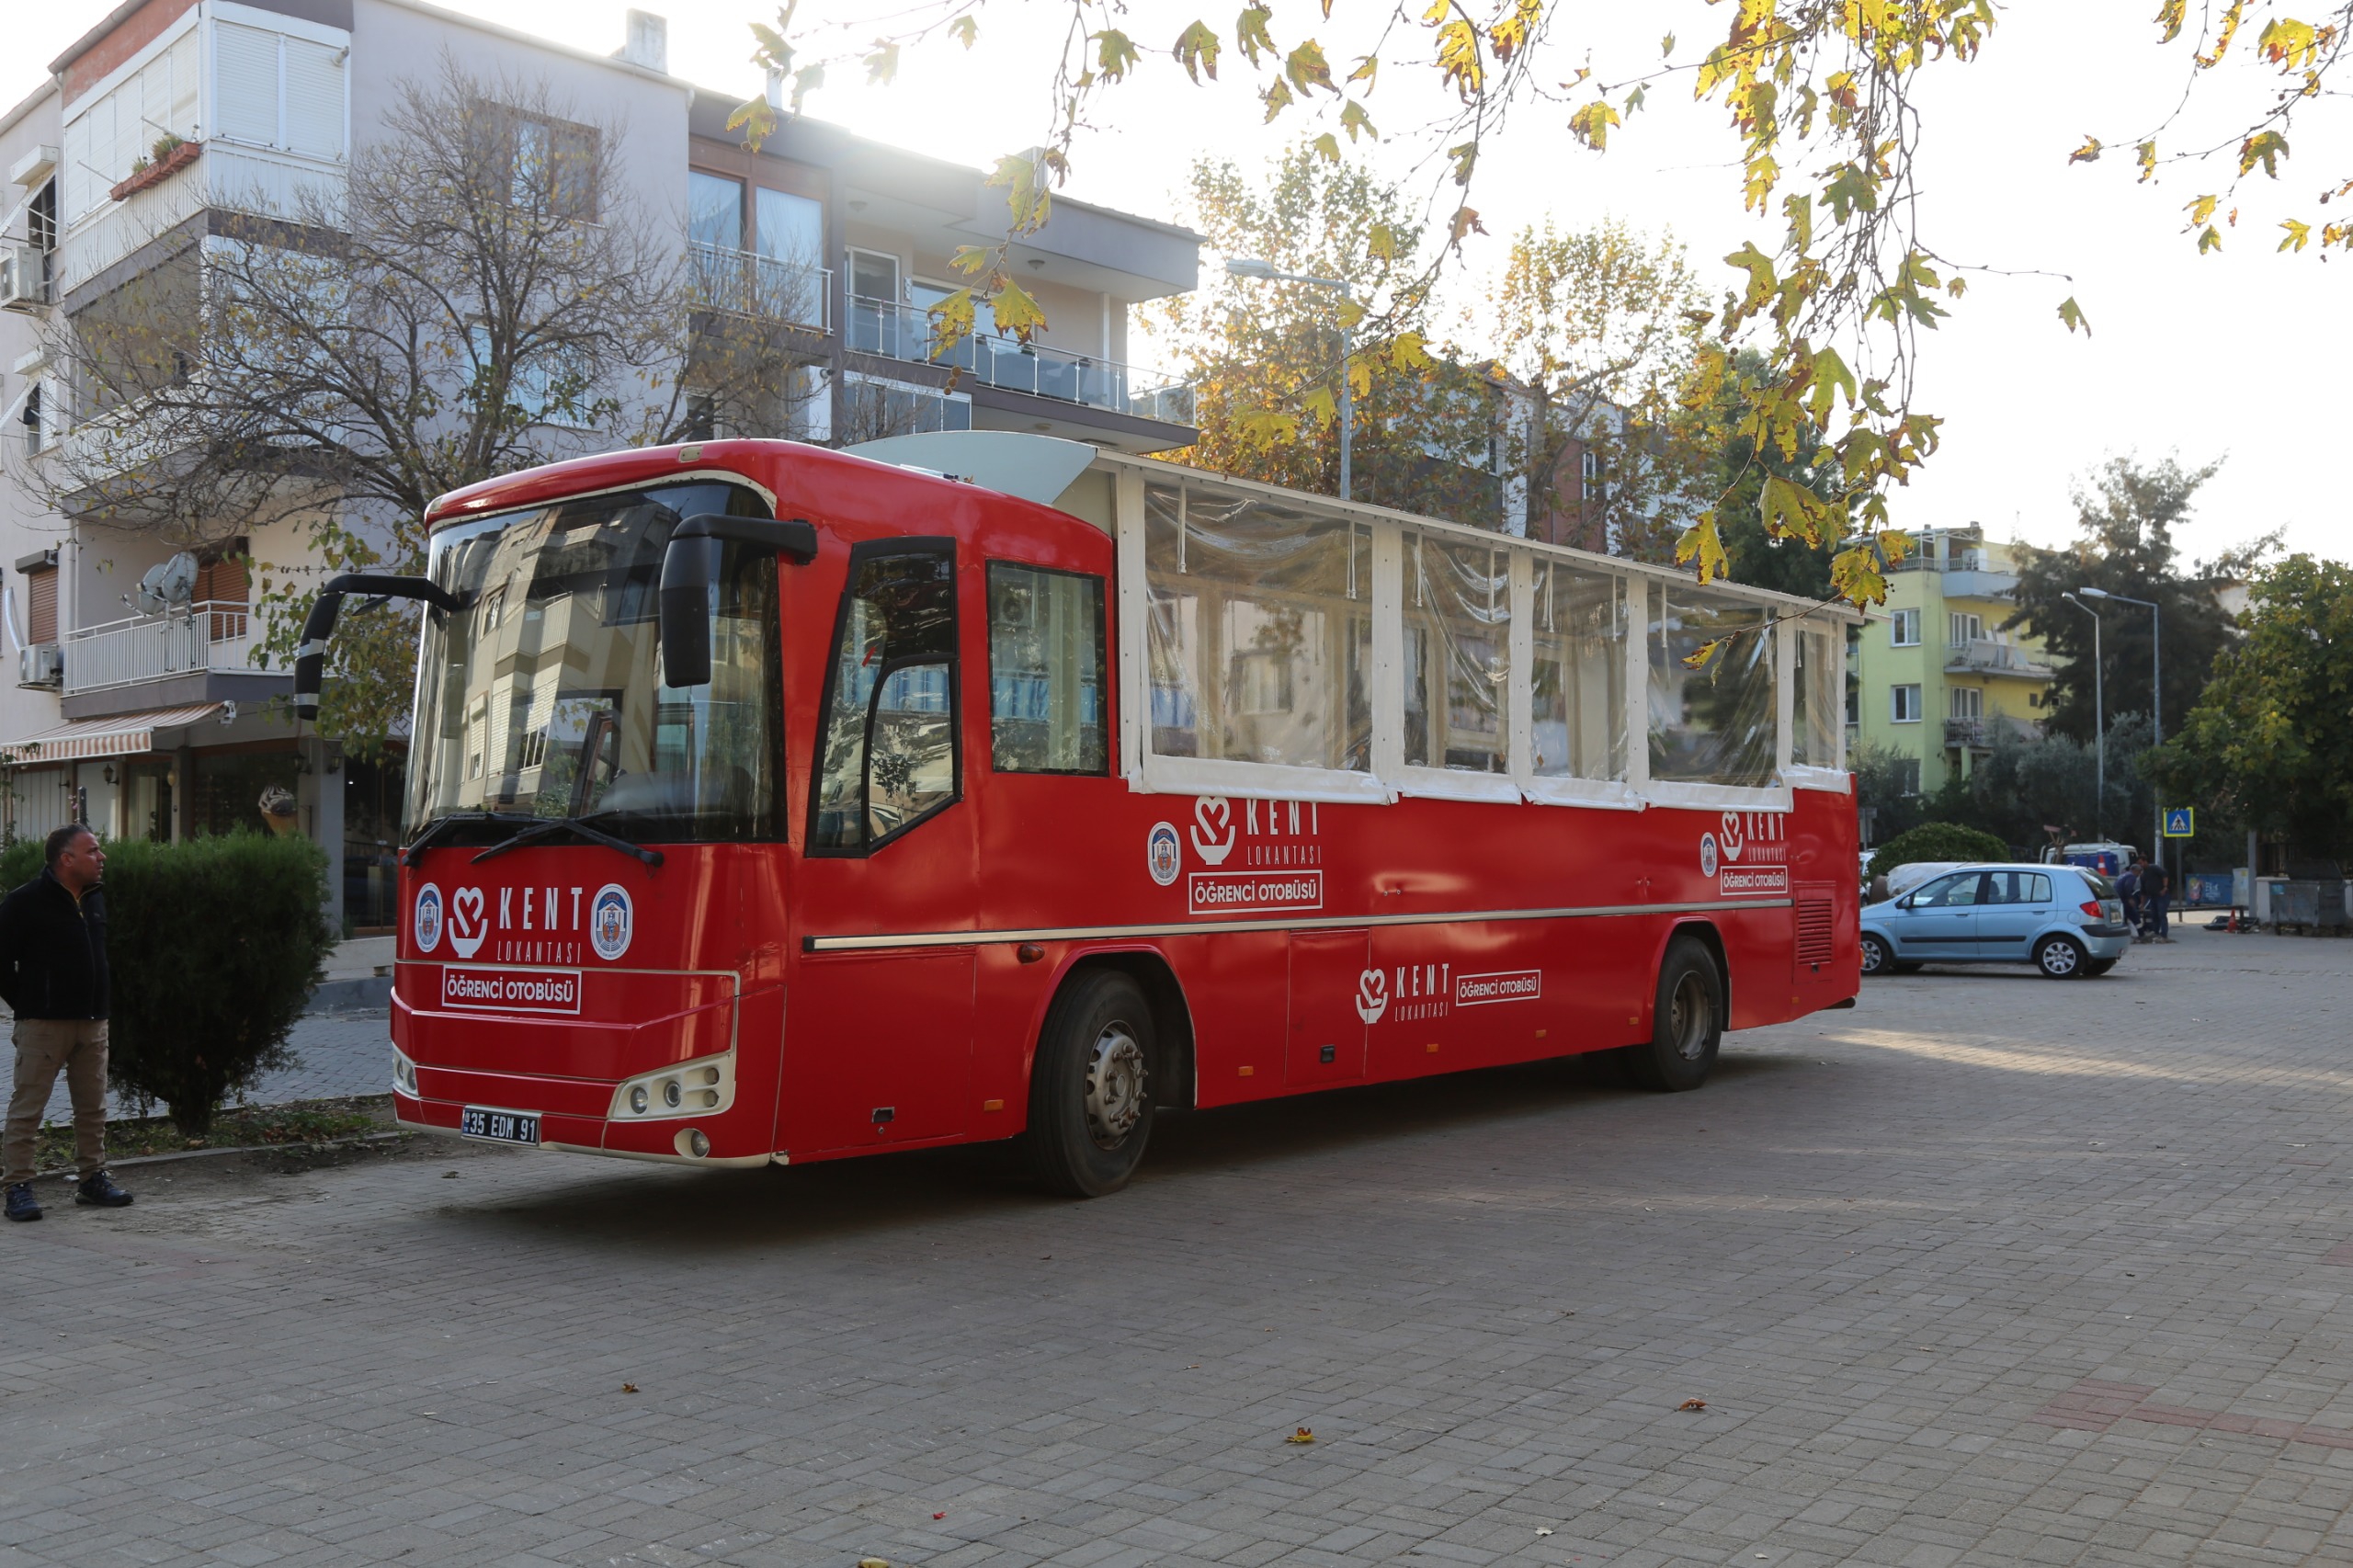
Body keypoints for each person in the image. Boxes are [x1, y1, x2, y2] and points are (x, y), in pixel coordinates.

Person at [1, 824, 132, 1221]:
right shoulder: (24, 902)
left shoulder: (95, 898)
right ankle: (17, 1187)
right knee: (28, 1110)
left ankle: (92, 1179)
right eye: (93, 850)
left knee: (93, 1107)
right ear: (66, 859)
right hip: (43, 1025)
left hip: (93, 1023)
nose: (101, 857)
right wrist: (28, 1004)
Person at [2143, 856, 2174, 943]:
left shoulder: (2154, 868)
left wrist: (2164, 888)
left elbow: (2165, 875)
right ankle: (2156, 932)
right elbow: (2143, 891)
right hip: (2152, 896)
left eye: (2141, 863)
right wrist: (2142, 904)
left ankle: (2164, 934)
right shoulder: (2144, 874)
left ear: (2145, 862)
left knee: (2162, 914)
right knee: (2154, 915)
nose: (2140, 865)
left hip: (2162, 896)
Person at [2117, 857, 2144, 941]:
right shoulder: (2131, 877)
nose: (2139, 875)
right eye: (2139, 872)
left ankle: (2123, 935)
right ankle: (2141, 934)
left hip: (2118, 899)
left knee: (2123, 918)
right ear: (2135, 871)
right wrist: (2130, 899)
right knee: (2134, 916)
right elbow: (2127, 887)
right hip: (2124, 899)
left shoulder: (2123, 875)